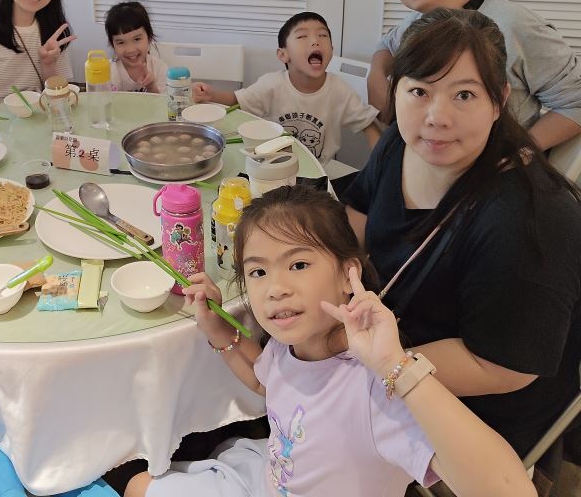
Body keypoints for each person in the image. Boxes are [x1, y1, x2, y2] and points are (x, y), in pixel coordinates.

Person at [125, 186, 534, 497]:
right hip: (269, 478)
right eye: (258, 272)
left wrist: (396, 366)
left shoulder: (376, 389)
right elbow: (266, 382)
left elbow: (511, 490)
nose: (275, 288)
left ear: (347, 274)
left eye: (298, 264)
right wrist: (218, 328)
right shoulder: (289, 345)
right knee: (139, 485)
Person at [345, 8, 581, 470]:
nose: (437, 117)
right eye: (419, 91)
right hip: (387, 334)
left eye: (465, 94)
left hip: (477, 402)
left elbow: (501, 367)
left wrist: (377, 363)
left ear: (499, 101)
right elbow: (358, 213)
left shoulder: (530, 219)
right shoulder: (400, 143)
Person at [368, 0, 581, 150]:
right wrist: (376, 74)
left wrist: (519, 154)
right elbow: (387, 45)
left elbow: (575, 102)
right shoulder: (415, 22)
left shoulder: (514, 24)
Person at [193, 12, 380, 166]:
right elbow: (237, 101)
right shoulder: (272, 84)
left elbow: (369, 124)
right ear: (283, 54)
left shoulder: (339, 89)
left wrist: (380, 164)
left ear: (331, 49)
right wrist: (212, 95)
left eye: (323, 36)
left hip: (316, 171)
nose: (315, 41)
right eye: (302, 36)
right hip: (271, 165)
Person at [104, 1, 167, 93]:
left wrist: (151, 87)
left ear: (149, 38)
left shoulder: (159, 68)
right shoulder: (108, 72)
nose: (130, 50)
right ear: (112, 45)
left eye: (137, 39)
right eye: (121, 42)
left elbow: (165, 101)